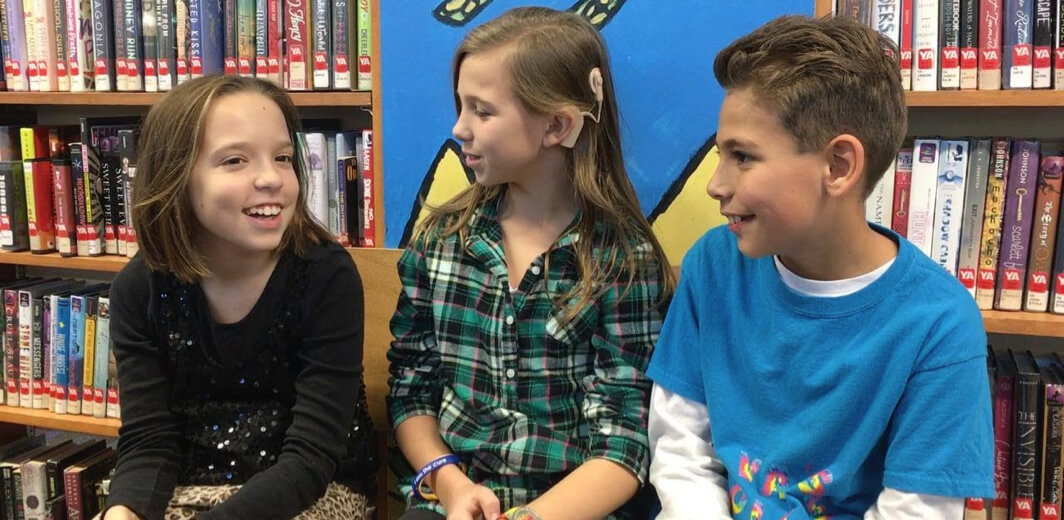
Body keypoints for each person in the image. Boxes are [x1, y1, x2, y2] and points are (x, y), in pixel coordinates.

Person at [646, 15, 994, 520]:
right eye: (721, 154)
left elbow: (919, 510)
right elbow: (680, 449)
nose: (715, 184)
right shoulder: (712, 266)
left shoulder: (939, 324)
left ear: (838, 167)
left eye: (742, 157)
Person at [387, 7, 674, 520]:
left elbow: (627, 436)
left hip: (578, 505)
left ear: (557, 125)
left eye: (482, 111)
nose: (459, 128)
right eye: (460, 107)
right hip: (453, 494)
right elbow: (412, 385)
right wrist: (450, 484)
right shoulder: (442, 241)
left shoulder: (622, 260)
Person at [103, 75, 376, 520]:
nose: (270, 178)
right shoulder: (139, 288)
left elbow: (310, 458)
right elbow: (149, 439)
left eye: (283, 158)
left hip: (313, 490)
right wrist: (123, 511)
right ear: (175, 176)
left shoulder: (325, 275)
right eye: (235, 160)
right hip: (189, 487)